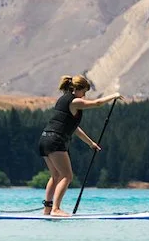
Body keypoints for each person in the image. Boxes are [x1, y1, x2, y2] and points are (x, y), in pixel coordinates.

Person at [38, 74, 123, 216]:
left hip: (45, 139)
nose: (84, 95)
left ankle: (47, 209)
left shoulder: (62, 100)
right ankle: (56, 209)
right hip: (56, 141)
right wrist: (113, 96)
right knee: (67, 176)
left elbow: (74, 128)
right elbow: (97, 103)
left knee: (55, 176)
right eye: (84, 92)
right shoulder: (74, 102)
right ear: (77, 89)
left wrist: (91, 143)